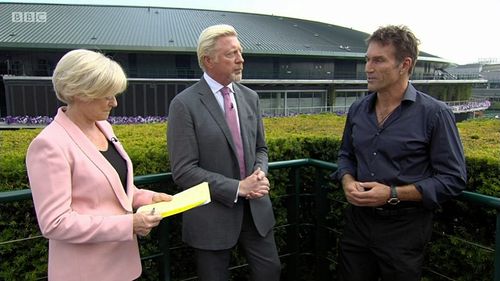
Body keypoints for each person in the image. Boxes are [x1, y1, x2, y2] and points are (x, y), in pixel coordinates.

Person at [26, 49, 172, 281]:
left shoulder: (105, 128)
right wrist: (129, 224)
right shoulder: (49, 144)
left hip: (124, 266)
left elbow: (115, 188)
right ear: (80, 93)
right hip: (85, 272)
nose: (114, 102)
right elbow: (55, 223)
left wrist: (147, 198)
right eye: (107, 95)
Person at [335, 25, 467, 281]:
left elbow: (453, 178)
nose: (368, 68)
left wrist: (392, 194)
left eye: (378, 60)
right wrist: (347, 180)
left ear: (405, 64)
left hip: (404, 229)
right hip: (357, 223)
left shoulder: (435, 114)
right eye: (367, 59)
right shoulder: (358, 110)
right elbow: (345, 156)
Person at [167, 24, 281, 281]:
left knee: (270, 272)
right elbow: (184, 170)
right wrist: (238, 187)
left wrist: (260, 175)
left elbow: (261, 149)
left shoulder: (250, 97)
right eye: (232, 54)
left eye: (240, 52)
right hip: (211, 218)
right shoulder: (184, 105)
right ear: (208, 60)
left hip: (256, 212)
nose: (241, 59)